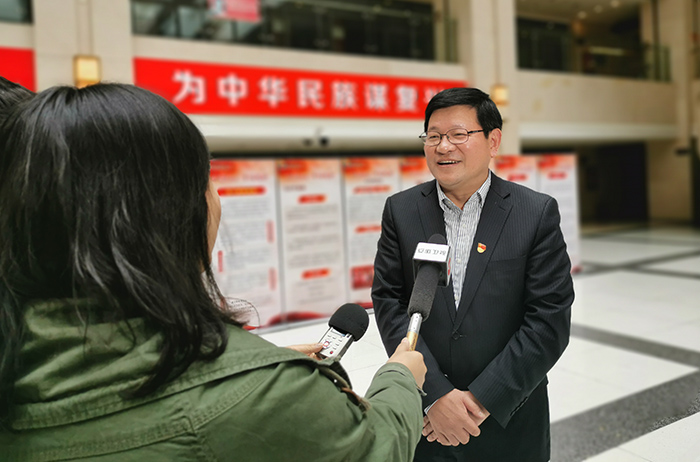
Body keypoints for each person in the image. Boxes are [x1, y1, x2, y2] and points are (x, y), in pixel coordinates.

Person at [0, 83, 426, 461]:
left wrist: (251, 370)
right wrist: (401, 378)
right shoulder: (269, 397)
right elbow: (375, 445)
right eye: (206, 176)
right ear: (170, 214)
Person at [372, 87, 573, 462]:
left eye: (458, 134)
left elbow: (549, 318)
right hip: (427, 420)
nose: (443, 146)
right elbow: (390, 302)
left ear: (493, 141)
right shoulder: (401, 211)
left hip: (508, 416)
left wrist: (481, 401)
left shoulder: (534, 213)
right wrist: (436, 396)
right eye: (433, 136)